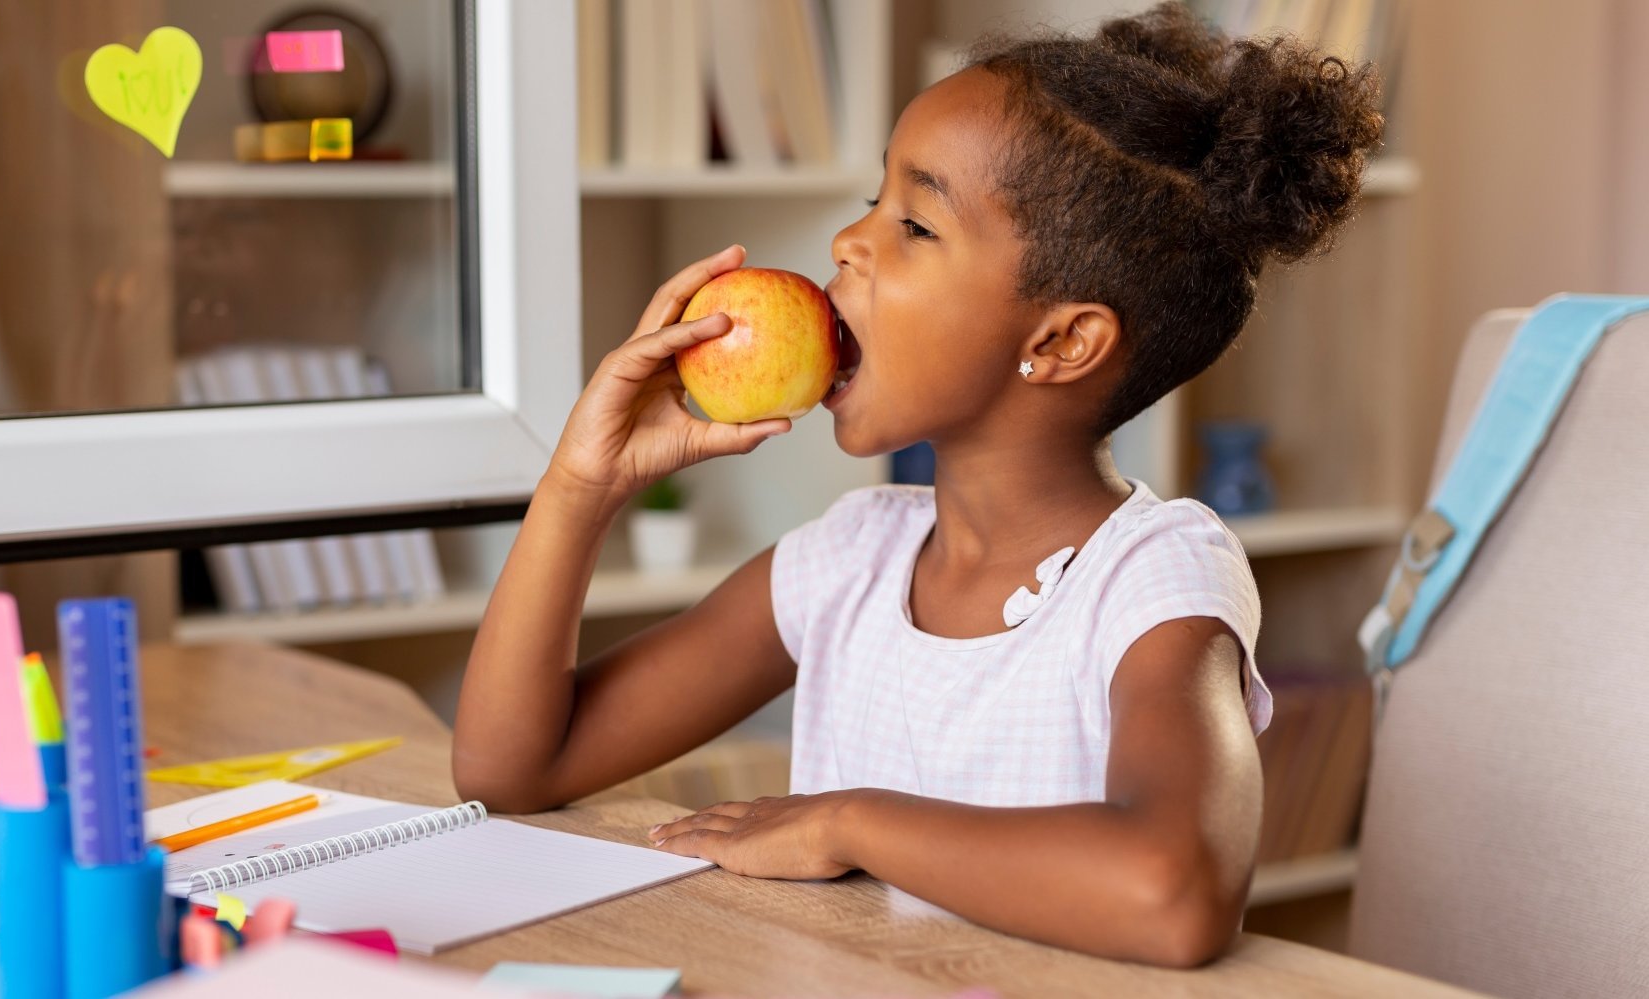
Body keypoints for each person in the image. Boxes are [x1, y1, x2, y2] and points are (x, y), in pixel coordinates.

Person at [453, 2, 1382, 967]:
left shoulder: (1152, 581)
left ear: (1061, 341)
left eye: (914, 223)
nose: (849, 243)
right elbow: (511, 768)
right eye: (871, 199)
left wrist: (846, 822)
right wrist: (581, 482)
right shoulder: (850, 560)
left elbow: (1174, 890)